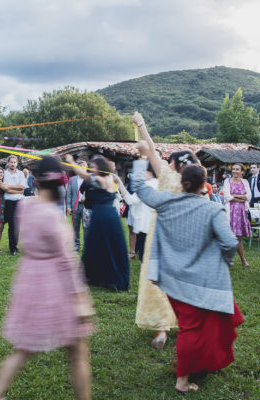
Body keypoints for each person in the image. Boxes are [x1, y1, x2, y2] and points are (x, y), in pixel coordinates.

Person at [132, 141, 242, 393]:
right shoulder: (214, 209)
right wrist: (223, 260)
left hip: (171, 279)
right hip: (202, 282)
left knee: (195, 327)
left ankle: (204, 362)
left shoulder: (165, 202)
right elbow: (228, 242)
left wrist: (140, 158)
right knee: (192, 331)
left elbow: (138, 186)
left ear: (182, 182)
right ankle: (182, 381)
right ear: (204, 185)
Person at [0, 156, 94, 400]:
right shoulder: (50, 216)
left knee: (23, 348)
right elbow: (66, 261)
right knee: (77, 349)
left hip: (29, 279)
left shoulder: (26, 206)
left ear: (36, 180)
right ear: (60, 182)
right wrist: (80, 299)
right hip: (55, 286)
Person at [133, 112, 195, 349]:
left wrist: (141, 124)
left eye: (170, 161)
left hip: (162, 236)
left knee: (159, 280)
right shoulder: (196, 183)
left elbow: (149, 149)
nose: (166, 163)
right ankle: (186, 322)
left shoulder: (169, 178)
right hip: (186, 238)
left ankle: (161, 329)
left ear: (176, 165)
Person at [66, 154, 130, 291]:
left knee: (96, 245)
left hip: (102, 216)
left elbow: (84, 175)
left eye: (93, 166)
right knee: (107, 245)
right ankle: (97, 276)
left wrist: (71, 162)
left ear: (100, 167)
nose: (91, 169)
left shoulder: (100, 179)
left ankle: (97, 276)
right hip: (111, 215)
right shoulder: (111, 178)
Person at [116, 164, 158, 261]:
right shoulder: (159, 183)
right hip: (156, 227)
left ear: (148, 172)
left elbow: (130, 200)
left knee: (145, 258)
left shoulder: (145, 186)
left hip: (146, 227)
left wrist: (119, 182)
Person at [222, 163, 252, 268]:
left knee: (238, 238)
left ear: (242, 172)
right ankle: (227, 259)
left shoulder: (245, 182)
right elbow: (226, 197)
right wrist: (241, 197)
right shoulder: (227, 181)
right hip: (230, 212)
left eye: (237, 169)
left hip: (241, 212)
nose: (234, 171)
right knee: (228, 236)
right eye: (233, 169)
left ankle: (243, 260)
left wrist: (234, 195)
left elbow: (249, 196)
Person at [1, 155, 26, 255]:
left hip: (19, 202)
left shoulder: (20, 174)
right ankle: (12, 249)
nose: (12, 164)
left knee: (18, 225)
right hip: (9, 202)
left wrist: (9, 187)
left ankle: (15, 245)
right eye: (11, 162)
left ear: (17, 163)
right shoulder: (4, 173)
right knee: (11, 225)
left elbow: (22, 187)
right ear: (8, 163)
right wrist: (17, 190)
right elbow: (4, 188)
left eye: (14, 162)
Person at [66, 159, 89, 251]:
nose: (81, 168)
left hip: (86, 206)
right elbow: (69, 194)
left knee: (86, 227)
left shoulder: (89, 178)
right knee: (75, 227)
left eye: (83, 166)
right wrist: (68, 206)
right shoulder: (72, 179)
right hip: (75, 206)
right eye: (79, 166)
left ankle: (87, 246)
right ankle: (76, 245)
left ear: (86, 168)